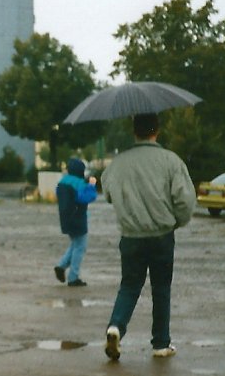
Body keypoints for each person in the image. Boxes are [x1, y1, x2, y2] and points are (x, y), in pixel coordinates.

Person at [100, 113, 196, 360]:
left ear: (134, 131)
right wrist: (176, 221)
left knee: (129, 285)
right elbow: (185, 200)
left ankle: (115, 327)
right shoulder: (171, 161)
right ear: (157, 131)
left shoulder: (118, 163)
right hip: (162, 235)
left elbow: (107, 192)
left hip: (131, 236)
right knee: (161, 288)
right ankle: (161, 344)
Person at [53, 157, 98, 287]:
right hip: (78, 218)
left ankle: (61, 266)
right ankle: (73, 277)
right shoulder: (79, 183)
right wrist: (91, 185)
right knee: (80, 247)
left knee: (75, 244)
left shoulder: (62, 181)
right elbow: (87, 197)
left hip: (65, 218)